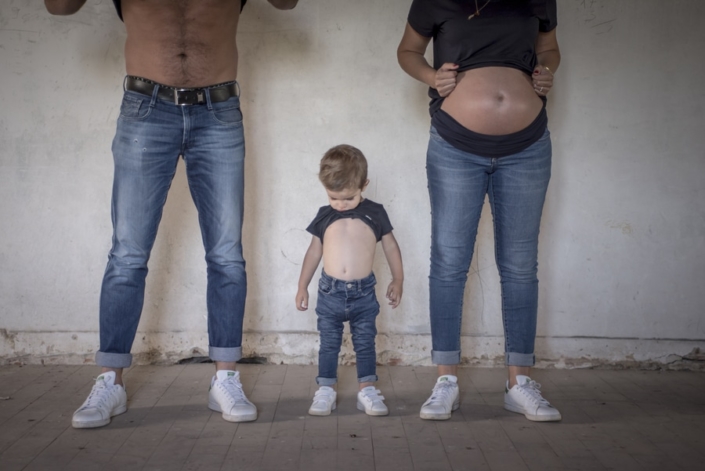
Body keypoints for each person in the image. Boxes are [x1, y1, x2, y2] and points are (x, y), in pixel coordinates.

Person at [44, 0, 299, 428]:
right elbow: (59, 7)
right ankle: (111, 382)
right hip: (146, 109)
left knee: (226, 254)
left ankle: (225, 378)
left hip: (218, 112)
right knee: (127, 255)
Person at [397, 0, 562, 422]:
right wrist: (432, 77)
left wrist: (547, 71)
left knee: (521, 265)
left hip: (527, 148)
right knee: (450, 262)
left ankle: (520, 384)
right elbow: (407, 52)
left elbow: (549, 49)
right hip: (454, 147)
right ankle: (445, 382)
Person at [295, 145, 404, 417]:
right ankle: (326, 389)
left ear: (364, 185)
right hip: (330, 292)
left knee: (365, 342)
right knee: (329, 343)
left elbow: (391, 247)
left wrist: (398, 279)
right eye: (334, 198)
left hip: (363, 294)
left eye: (348, 198)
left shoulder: (376, 213)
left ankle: (367, 389)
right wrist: (302, 286)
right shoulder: (324, 214)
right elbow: (314, 251)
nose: (341, 205)